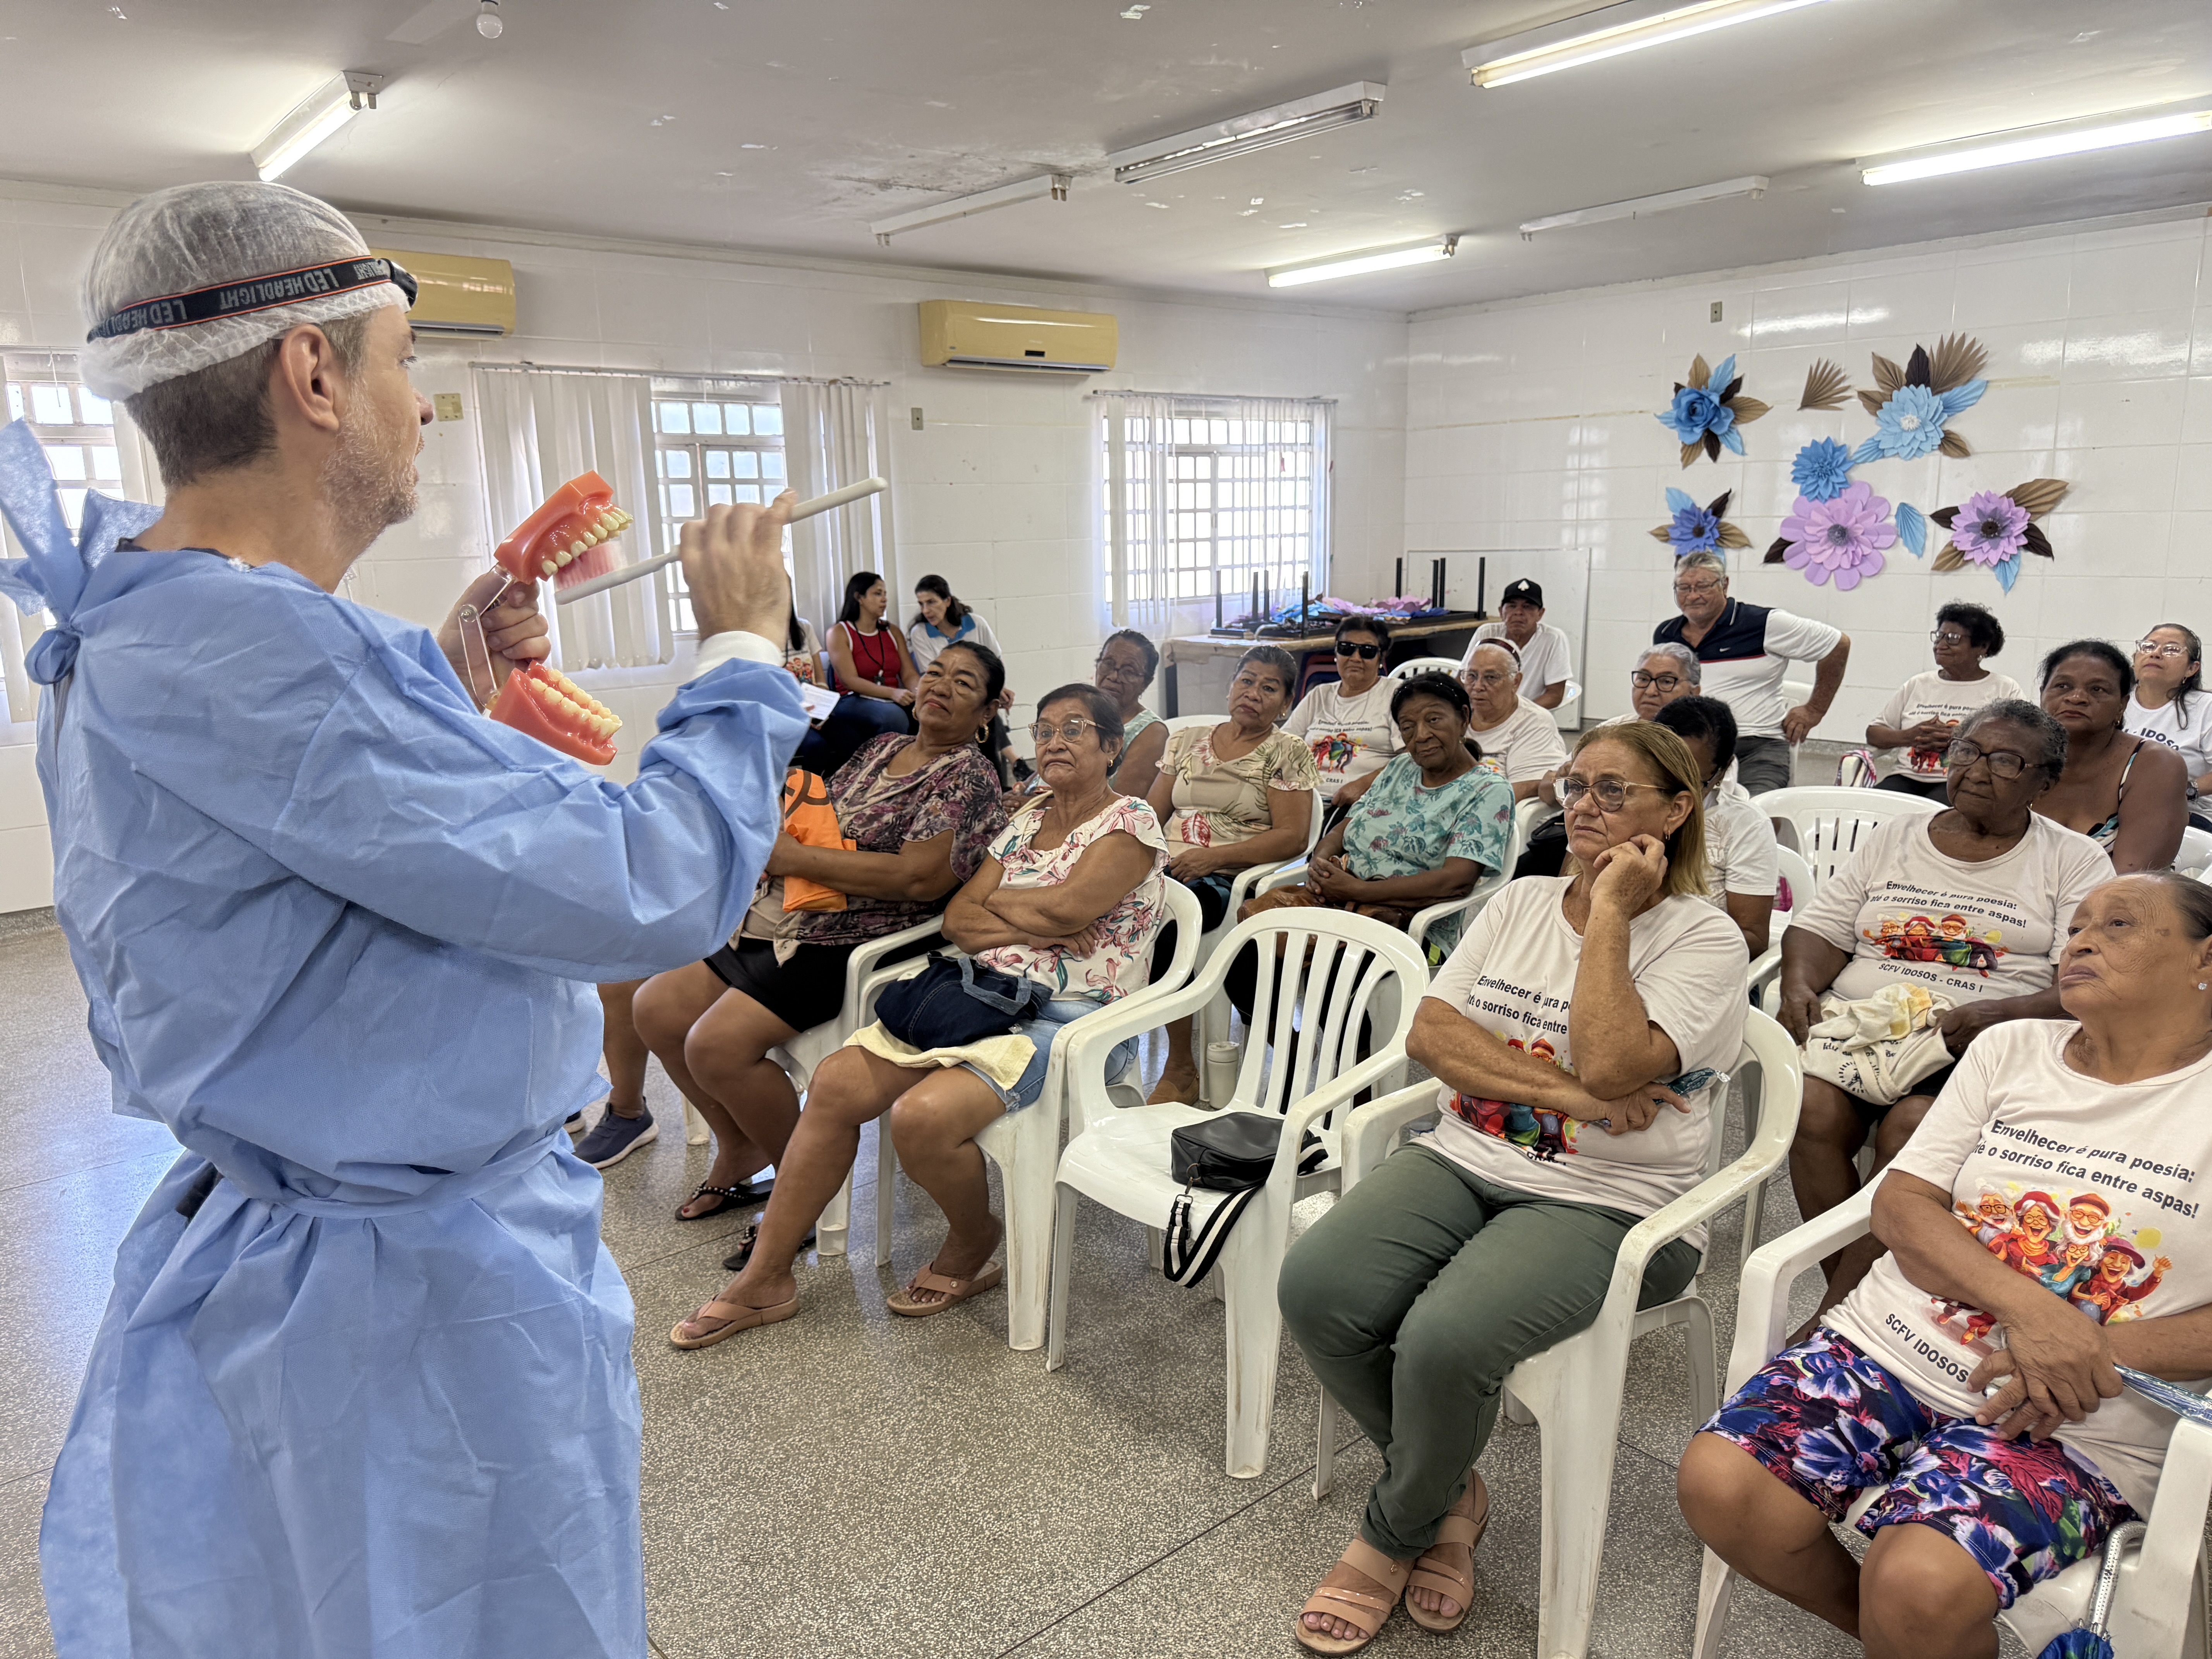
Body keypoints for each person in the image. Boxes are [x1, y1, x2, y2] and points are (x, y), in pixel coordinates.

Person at [14, 180, 801, 1659]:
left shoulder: (143, 616)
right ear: (312, 375)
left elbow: (300, 837)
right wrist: (745, 653)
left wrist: (437, 686)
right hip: (416, 1308)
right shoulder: (285, 660)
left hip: (298, 1258)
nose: (423, 405)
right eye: (407, 361)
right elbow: (658, 882)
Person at [1279, 723, 1748, 1652]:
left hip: (1615, 1201)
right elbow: (1434, 1036)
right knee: (1318, 1288)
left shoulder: (1706, 937)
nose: (1584, 806)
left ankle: (1394, 1535)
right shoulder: (1519, 903)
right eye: (1576, 785)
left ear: (1676, 811)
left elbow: (1614, 1059)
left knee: (1444, 1340)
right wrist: (1568, 1095)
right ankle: (1449, 1491)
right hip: (1467, 1152)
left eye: (1614, 791)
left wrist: (1609, 914)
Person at [1680, 872, 2212, 1659]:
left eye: (2119, 924)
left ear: (2206, 959)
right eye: (2075, 927)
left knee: (1919, 1582)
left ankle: (1912, 1631)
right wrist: (2035, 1313)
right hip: (1890, 1344)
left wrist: (2091, 1348)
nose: (2080, 942)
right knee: (1722, 1486)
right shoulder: (2011, 1049)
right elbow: (1902, 1206)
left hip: (2077, 1412)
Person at [668, 684, 1170, 1345]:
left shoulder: (1129, 820)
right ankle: (765, 1278)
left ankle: (973, 1238)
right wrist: (1035, 920)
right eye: (1045, 729)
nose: (1054, 741)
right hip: (979, 990)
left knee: (921, 1117)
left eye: (1074, 729)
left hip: (1073, 1017)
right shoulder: (1027, 819)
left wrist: (1014, 908)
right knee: (835, 1084)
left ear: (1112, 745)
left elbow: (1068, 909)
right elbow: (961, 919)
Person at [631, 642, 1009, 1223]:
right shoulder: (884, 746)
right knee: (655, 1009)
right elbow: (820, 819)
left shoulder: (967, 775)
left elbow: (918, 879)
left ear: (986, 713)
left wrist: (793, 859)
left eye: (963, 684)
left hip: (855, 940)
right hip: (791, 913)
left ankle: (800, 1197)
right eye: (935, 672)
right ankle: (740, 1147)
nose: (940, 686)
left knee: (715, 1047)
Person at [1778, 700, 2113, 1320]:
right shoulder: (1897, 837)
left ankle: (1833, 1314)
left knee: (1913, 1127)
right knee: (1813, 1108)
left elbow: (2080, 979)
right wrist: (1798, 984)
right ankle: (1850, 1302)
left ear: (2044, 782)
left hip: (1976, 1043)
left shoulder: (2074, 860)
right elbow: (1821, 928)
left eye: (2005, 761)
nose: (1978, 770)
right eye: (1967, 751)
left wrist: (2000, 1014)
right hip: (1865, 1028)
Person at [1232, 671, 1513, 979]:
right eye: (1408, 727)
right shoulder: (1400, 768)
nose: (1421, 735)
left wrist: (1360, 891)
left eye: (1434, 720)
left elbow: (1457, 880)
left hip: (1412, 925)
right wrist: (1320, 865)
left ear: (1463, 718)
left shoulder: (1488, 790)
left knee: (1334, 976)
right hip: (1340, 902)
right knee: (1248, 956)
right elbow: (1343, 830)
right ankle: (1273, 1013)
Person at [1140, 644, 1321, 1102]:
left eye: (1269, 688)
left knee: (1172, 921)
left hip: (1229, 875)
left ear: (1287, 703)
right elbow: (1150, 816)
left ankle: (1181, 1067)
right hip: (1168, 866)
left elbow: (1293, 837)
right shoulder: (1186, 740)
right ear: (1230, 686)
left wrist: (1213, 859)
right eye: (1247, 680)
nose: (1253, 693)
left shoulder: (1287, 751)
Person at [1654, 550, 1850, 795]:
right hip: (1688, 746)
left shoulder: (1764, 624)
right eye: (1684, 588)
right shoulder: (1667, 635)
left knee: (1755, 808)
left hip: (1756, 746)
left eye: (1703, 586)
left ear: (1724, 585)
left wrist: (1815, 710)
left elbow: (1837, 644)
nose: (1693, 596)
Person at [2033, 639, 2186, 874]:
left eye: (2097, 689)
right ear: (2043, 694)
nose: (2077, 698)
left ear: (2122, 705)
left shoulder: (2156, 764)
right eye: (2063, 686)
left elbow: (2130, 885)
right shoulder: (2016, 755)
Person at [1653, 696, 1777, 959]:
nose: (1672, 792)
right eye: (1661, 772)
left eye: (1690, 782)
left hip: (1697, 960)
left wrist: (1663, 943)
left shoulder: (1744, 826)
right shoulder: (1612, 803)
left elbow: (1754, 938)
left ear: (1722, 772)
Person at [1865, 602, 2021, 800]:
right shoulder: (1918, 684)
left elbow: (2021, 739)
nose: (1940, 645)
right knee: (1871, 806)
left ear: (1983, 646)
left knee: (1935, 811)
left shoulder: (2003, 688)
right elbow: (1874, 734)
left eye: (1953, 639)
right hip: (1906, 776)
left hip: (1966, 779)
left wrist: (1962, 739)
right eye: (1939, 636)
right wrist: (1911, 737)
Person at [800, 569, 919, 777]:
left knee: (926, 712)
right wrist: (893, 693)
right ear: (859, 598)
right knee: (894, 717)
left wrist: (920, 692)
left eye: (885, 594)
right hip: (853, 699)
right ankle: (881, 778)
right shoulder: (839, 632)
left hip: (893, 697)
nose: (884, 599)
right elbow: (850, 681)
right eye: (878, 593)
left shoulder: (893, 631)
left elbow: (909, 674)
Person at [1282, 616, 1401, 800]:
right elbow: (1283, 745)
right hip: (1304, 798)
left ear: (1382, 657)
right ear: (1336, 653)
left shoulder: (1395, 694)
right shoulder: (1319, 695)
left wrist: (1366, 784)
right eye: (1346, 649)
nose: (1355, 658)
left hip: (1366, 802)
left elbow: (1411, 757)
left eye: (1367, 651)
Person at [1459, 638, 1568, 802]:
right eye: (1472, 676)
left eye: (1491, 678)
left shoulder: (1533, 723)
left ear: (1516, 682)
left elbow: (1520, 790)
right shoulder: (1456, 714)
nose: (1478, 686)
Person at [2127, 623, 2212, 828]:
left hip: (2187, 815)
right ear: (2135, 660)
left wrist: (2187, 790)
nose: (2156, 654)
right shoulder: (2115, 700)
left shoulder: (2206, 707)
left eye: (2172, 650)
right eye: (2148, 647)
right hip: (2116, 810)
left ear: (2192, 669)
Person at [1464, 577, 1573, 709]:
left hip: (1530, 714)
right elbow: (1463, 679)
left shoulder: (1553, 639)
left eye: (1527, 607)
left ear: (1540, 614)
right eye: (1512, 606)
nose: (1518, 613)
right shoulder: (1487, 633)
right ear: (1501, 612)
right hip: (1484, 712)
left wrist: (1517, 714)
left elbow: (1555, 695)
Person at [1094, 627, 1167, 798]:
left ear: (1146, 683)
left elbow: (1123, 805)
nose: (1114, 677)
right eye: (1108, 664)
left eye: (1129, 671)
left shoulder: (1151, 733)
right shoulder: (1082, 711)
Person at [906, 572, 1001, 670]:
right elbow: (932, 674)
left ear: (948, 601)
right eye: (921, 604)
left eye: (931, 602)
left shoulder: (977, 623)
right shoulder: (920, 633)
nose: (926, 611)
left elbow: (996, 662)